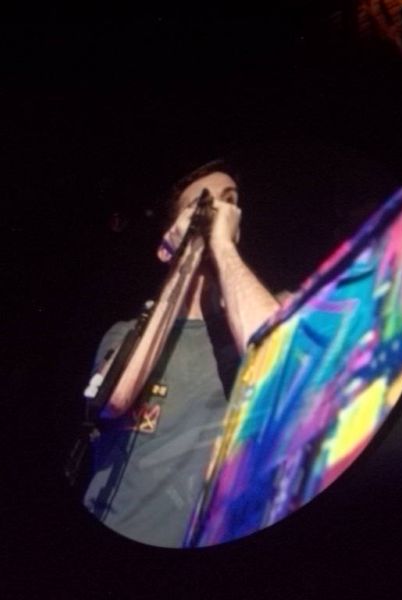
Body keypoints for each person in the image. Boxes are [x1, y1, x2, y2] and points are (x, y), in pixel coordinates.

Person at [82, 160, 279, 547]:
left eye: (229, 201)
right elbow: (114, 398)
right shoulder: (124, 334)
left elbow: (284, 360)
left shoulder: (244, 333)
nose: (216, 211)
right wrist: (186, 256)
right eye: (200, 205)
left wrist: (222, 245)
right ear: (165, 245)